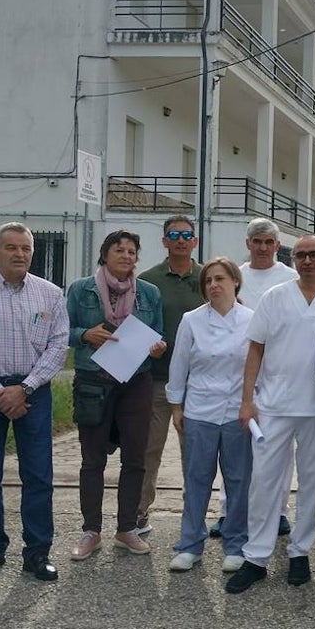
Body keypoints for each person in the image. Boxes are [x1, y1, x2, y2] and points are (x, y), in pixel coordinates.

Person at [227, 235, 315, 594]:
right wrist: (246, 401)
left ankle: (300, 552)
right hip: (275, 406)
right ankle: (256, 557)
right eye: (301, 255)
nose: (308, 260)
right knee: (264, 481)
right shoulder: (275, 297)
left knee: (312, 483)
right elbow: (255, 350)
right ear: (292, 259)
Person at [0, 223, 69, 583]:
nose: (19, 254)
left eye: (25, 248)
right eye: (11, 248)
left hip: (33, 392)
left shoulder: (50, 295)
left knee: (37, 475)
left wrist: (26, 387)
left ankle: (37, 553)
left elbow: (58, 347)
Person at [66, 230, 166, 561]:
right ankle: (91, 530)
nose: (125, 255)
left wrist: (157, 347)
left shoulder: (149, 293)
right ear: (104, 254)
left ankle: (127, 528)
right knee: (92, 458)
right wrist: (84, 334)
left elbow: (159, 334)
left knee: (135, 458)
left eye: (131, 251)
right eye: (118, 249)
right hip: (93, 380)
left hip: (135, 381)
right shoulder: (81, 290)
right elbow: (63, 332)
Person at [166, 258, 253, 574]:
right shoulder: (192, 320)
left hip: (237, 413)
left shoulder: (252, 320)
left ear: (235, 282)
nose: (214, 285)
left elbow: (260, 368)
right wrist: (177, 406)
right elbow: (179, 366)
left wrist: (254, 405)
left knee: (239, 481)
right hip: (199, 411)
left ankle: (236, 543)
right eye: (208, 281)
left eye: (220, 279)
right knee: (197, 480)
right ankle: (190, 545)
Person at [216, 217, 299, 537]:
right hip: (239, 375)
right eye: (257, 241)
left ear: (278, 246)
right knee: (235, 447)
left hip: (280, 376)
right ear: (247, 244)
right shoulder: (235, 277)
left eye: (269, 242)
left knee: (280, 448)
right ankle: (228, 511)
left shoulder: (291, 278)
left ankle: (278, 510)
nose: (263, 247)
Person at [136, 216, 203, 536]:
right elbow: (135, 325)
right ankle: (138, 512)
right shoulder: (148, 281)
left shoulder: (208, 278)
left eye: (186, 235)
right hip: (157, 382)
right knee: (149, 449)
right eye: (173, 235)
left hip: (199, 386)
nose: (180, 240)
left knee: (195, 454)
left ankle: (195, 513)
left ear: (195, 241)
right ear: (164, 241)